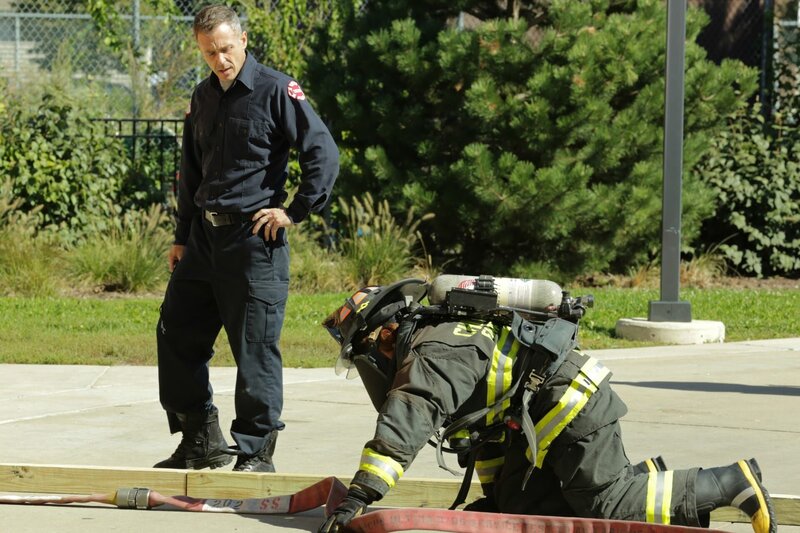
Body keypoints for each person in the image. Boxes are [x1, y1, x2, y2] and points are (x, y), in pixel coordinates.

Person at [317, 278, 776, 533]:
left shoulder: (436, 352)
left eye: (363, 356)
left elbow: (407, 421)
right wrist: (497, 501)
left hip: (571, 407)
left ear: (382, 336)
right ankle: (641, 480)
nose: (369, 367)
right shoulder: (440, 336)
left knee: (606, 509)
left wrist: (360, 496)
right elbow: (487, 432)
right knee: (525, 512)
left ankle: (732, 482)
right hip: (537, 418)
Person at [153, 4, 338, 473]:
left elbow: (322, 152)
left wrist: (294, 211)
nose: (220, 60)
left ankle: (255, 454)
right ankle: (201, 439)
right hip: (202, 241)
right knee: (175, 332)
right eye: (209, 53)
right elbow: (191, 171)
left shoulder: (277, 90)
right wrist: (181, 236)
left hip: (254, 242)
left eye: (225, 49)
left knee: (254, 349)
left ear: (243, 40)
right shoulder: (203, 96)